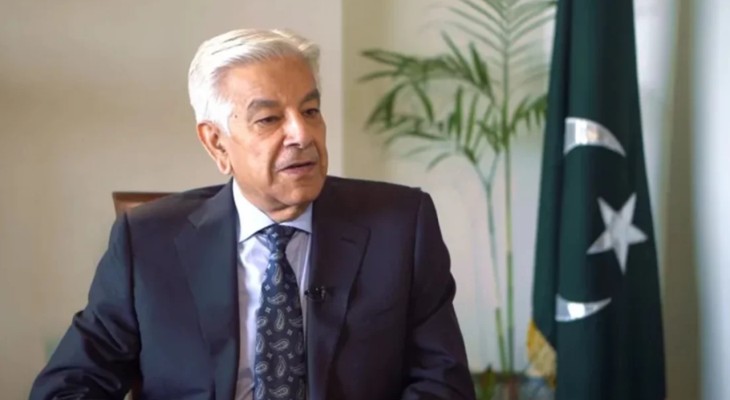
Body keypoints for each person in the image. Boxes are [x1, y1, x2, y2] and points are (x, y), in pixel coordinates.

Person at [29, 28, 475, 400]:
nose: (301, 134)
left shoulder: (400, 226)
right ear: (216, 143)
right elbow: (68, 387)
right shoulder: (147, 241)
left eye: (310, 110)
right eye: (269, 119)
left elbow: (443, 383)